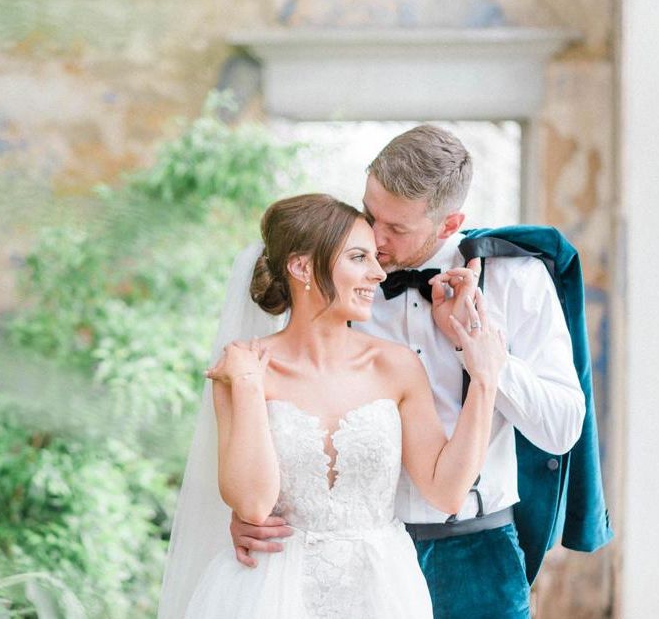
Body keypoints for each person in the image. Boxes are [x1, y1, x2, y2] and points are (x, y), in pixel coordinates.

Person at [229, 126, 588, 619]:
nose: (374, 240)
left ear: (449, 223)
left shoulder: (516, 281)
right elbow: (276, 406)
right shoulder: (340, 278)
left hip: (476, 547)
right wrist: (247, 514)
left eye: (395, 228)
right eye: (370, 212)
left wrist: (482, 353)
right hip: (352, 560)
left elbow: (562, 430)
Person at [177, 193, 506, 618]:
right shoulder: (242, 368)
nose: (377, 272)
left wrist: (485, 380)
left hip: (380, 591)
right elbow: (254, 505)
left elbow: (446, 492)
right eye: (358, 257)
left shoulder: (395, 365)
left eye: (374, 258)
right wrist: (247, 386)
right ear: (301, 267)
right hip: (269, 593)